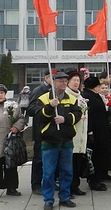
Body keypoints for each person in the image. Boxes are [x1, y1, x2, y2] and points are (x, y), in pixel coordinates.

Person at [36, 71, 82, 210]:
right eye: (60, 81)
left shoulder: (71, 99)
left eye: (65, 81)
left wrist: (65, 119)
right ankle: (48, 200)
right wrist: (50, 107)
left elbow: (77, 114)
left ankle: (65, 197)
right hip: (50, 141)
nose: (63, 83)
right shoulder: (43, 98)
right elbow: (39, 117)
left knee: (67, 171)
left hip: (66, 139)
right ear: (53, 82)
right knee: (49, 173)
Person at [27, 69, 55, 196]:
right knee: (38, 159)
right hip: (40, 130)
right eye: (53, 78)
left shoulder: (55, 92)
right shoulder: (39, 91)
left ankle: (50, 182)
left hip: (53, 130)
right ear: (47, 78)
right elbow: (30, 109)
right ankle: (36, 184)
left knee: (51, 158)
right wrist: (47, 107)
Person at [81, 76, 111, 191]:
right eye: (99, 85)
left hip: (101, 130)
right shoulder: (87, 97)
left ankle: (99, 176)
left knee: (100, 155)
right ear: (94, 87)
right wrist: (90, 130)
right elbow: (89, 115)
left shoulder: (94, 95)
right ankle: (94, 181)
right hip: (94, 131)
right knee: (94, 156)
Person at [65, 71, 89, 196]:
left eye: (78, 80)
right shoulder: (66, 96)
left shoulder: (81, 96)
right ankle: (68, 188)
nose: (76, 83)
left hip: (81, 135)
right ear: (68, 82)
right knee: (70, 164)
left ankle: (75, 186)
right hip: (72, 135)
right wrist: (78, 118)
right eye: (73, 80)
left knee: (78, 162)